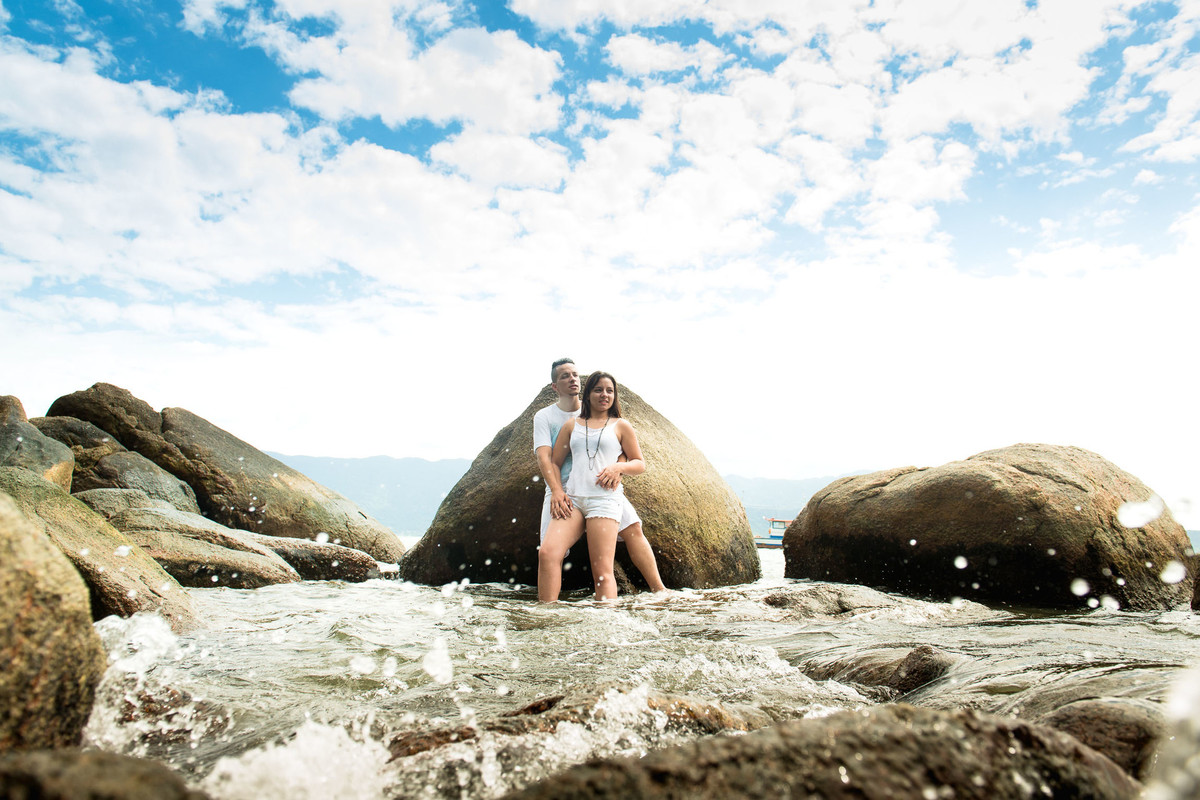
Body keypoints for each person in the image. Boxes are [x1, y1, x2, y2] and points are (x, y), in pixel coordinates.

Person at [537, 368, 660, 601]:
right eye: (598, 390)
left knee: (602, 573)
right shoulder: (572, 425)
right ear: (588, 395)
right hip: (574, 500)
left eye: (609, 391)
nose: (604, 395)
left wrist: (618, 468)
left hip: (604, 502)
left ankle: (608, 618)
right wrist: (558, 491)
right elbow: (554, 462)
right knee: (547, 553)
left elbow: (639, 463)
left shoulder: (621, 425)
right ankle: (546, 612)